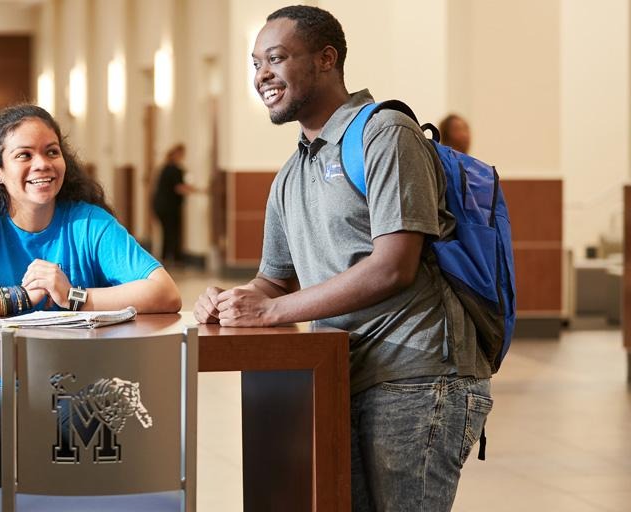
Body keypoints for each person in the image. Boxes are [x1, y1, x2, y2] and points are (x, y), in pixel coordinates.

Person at [193, 6, 492, 511]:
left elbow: (394, 265)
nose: (262, 74)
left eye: (276, 58)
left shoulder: (384, 134)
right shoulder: (291, 172)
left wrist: (271, 311)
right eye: (255, 63)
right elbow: (275, 280)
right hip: (339, 373)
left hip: (415, 374)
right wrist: (234, 300)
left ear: (326, 59)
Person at [0, 104, 181, 512]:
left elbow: (164, 291)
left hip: (82, 384)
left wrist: (74, 296)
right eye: (24, 154)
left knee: (123, 427)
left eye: (52, 152)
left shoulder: (87, 222)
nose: (42, 164)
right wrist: (17, 298)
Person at [151, 143, 199, 265]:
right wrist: (196, 190)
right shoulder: (175, 169)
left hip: (160, 205)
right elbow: (179, 187)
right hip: (168, 207)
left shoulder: (165, 167)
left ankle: (166, 257)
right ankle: (172, 258)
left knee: (167, 231)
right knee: (171, 231)